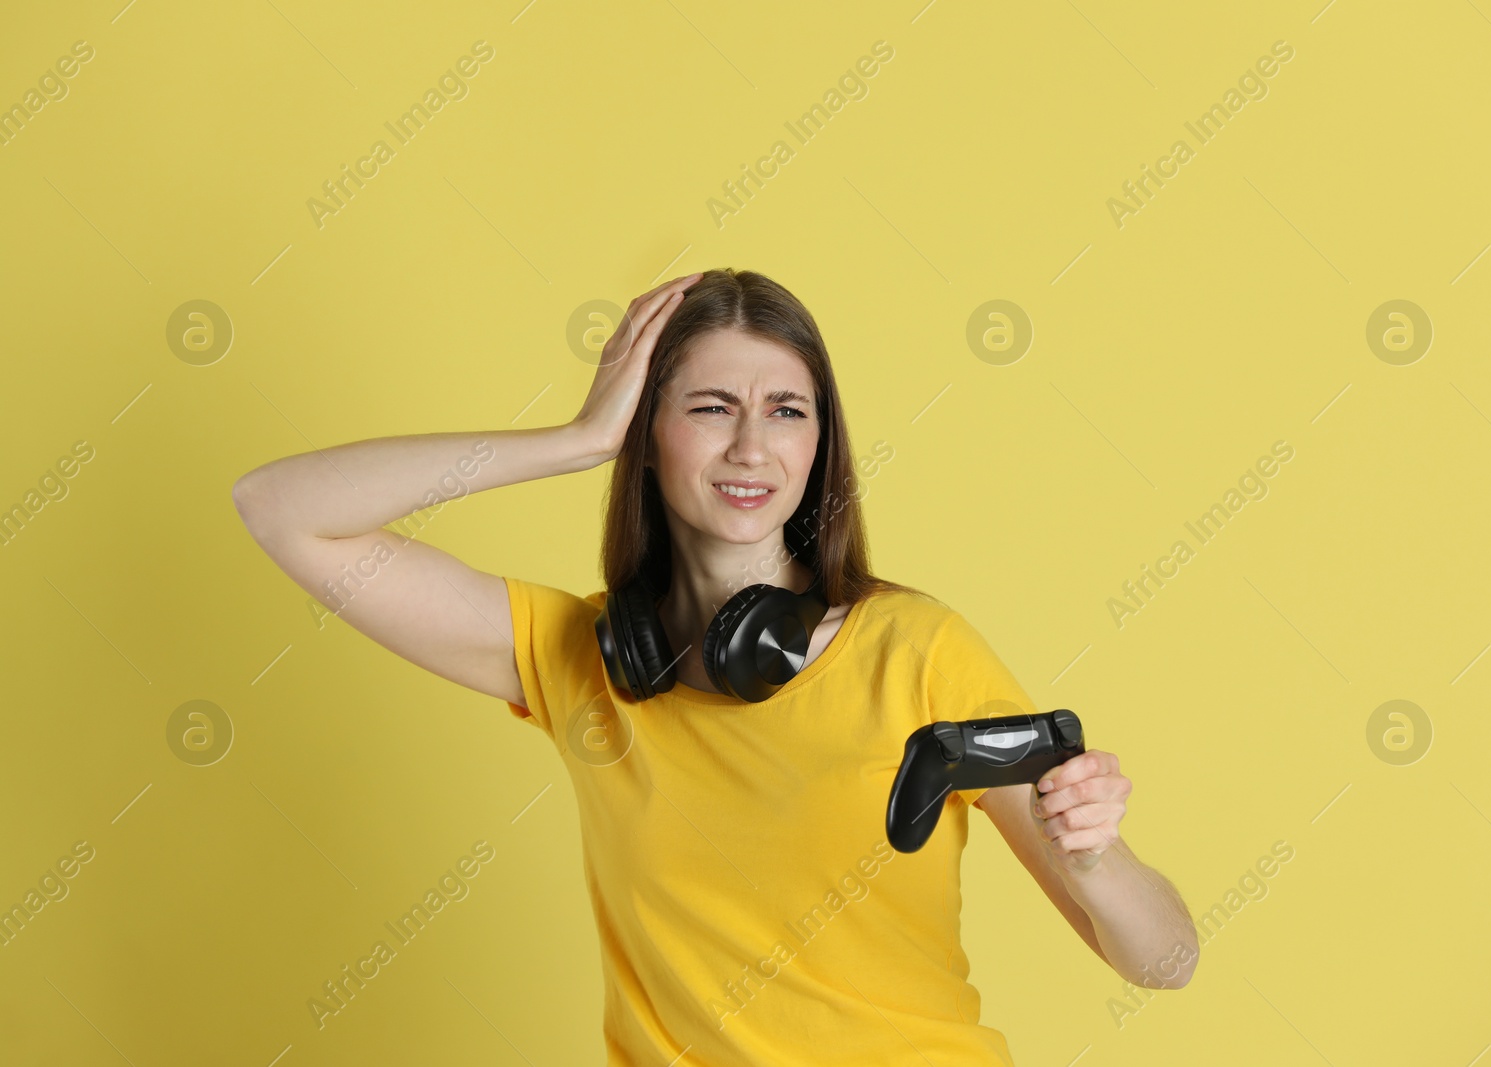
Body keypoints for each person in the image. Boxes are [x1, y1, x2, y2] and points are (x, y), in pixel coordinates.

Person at [232, 268, 1199, 1064]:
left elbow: (1167, 961)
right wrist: (571, 441)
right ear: (647, 436)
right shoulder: (581, 662)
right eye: (709, 406)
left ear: (819, 445)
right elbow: (280, 507)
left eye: (786, 410)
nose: (751, 445)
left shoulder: (917, 650)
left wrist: (1097, 858)